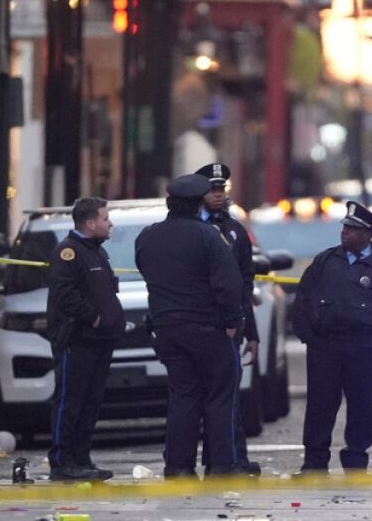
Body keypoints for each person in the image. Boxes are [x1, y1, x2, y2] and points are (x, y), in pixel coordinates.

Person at [135, 174, 245, 477]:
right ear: (198, 204)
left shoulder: (148, 237)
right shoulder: (208, 236)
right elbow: (229, 283)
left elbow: (147, 271)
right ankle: (221, 465)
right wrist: (233, 321)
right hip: (208, 328)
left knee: (183, 397)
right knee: (219, 397)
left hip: (167, 328)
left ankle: (178, 467)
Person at [292, 201, 372, 474]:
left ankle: (356, 464)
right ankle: (314, 463)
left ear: (368, 234)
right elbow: (303, 298)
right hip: (325, 346)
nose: (345, 232)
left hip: (364, 348)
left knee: (360, 407)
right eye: (345, 227)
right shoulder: (325, 261)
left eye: (352, 229)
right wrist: (307, 335)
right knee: (320, 405)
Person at [45, 197, 125, 481]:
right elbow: (65, 295)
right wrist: (93, 317)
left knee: (90, 402)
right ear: (90, 224)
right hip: (78, 340)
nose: (110, 223)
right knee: (70, 401)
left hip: (100, 340)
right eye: (105, 218)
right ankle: (62, 461)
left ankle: (81, 459)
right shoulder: (68, 252)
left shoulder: (96, 251)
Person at [195, 162, 260, 476]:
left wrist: (252, 332)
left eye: (221, 189)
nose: (218, 195)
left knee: (229, 397)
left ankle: (233, 459)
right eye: (212, 190)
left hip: (229, 327)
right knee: (202, 398)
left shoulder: (235, 230)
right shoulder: (191, 227)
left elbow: (245, 285)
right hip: (198, 324)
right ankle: (218, 461)